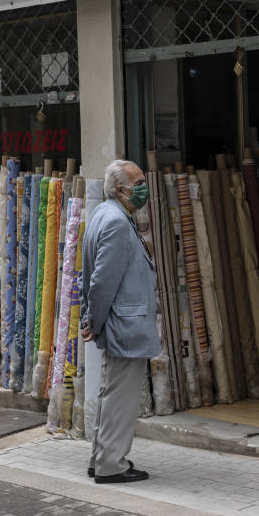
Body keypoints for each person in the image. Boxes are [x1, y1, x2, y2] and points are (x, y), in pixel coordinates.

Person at [80, 159, 160, 484]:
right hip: (124, 326)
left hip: (120, 324)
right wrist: (94, 321)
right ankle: (111, 465)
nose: (143, 186)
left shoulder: (104, 214)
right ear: (120, 190)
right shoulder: (115, 221)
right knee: (120, 400)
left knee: (110, 394)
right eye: (137, 181)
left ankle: (101, 459)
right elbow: (102, 282)